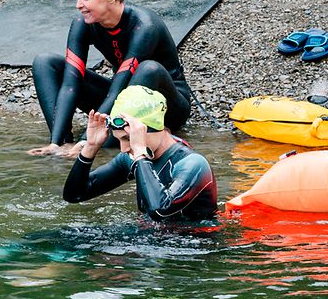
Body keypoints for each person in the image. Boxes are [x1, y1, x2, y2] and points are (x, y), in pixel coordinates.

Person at [29, 0, 192, 158]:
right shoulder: (83, 24)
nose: (78, 5)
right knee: (45, 63)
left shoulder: (144, 25)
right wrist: (56, 142)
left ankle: (97, 141)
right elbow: (71, 84)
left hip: (167, 104)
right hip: (121, 97)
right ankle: (63, 142)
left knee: (148, 68)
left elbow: (120, 86)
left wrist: (87, 142)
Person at [63, 86, 217, 223]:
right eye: (119, 140)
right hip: (150, 242)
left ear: (152, 128)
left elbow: (160, 211)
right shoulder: (133, 158)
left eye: (128, 138)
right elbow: (74, 195)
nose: (124, 149)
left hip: (189, 248)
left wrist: (140, 155)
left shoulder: (193, 164)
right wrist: (90, 147)